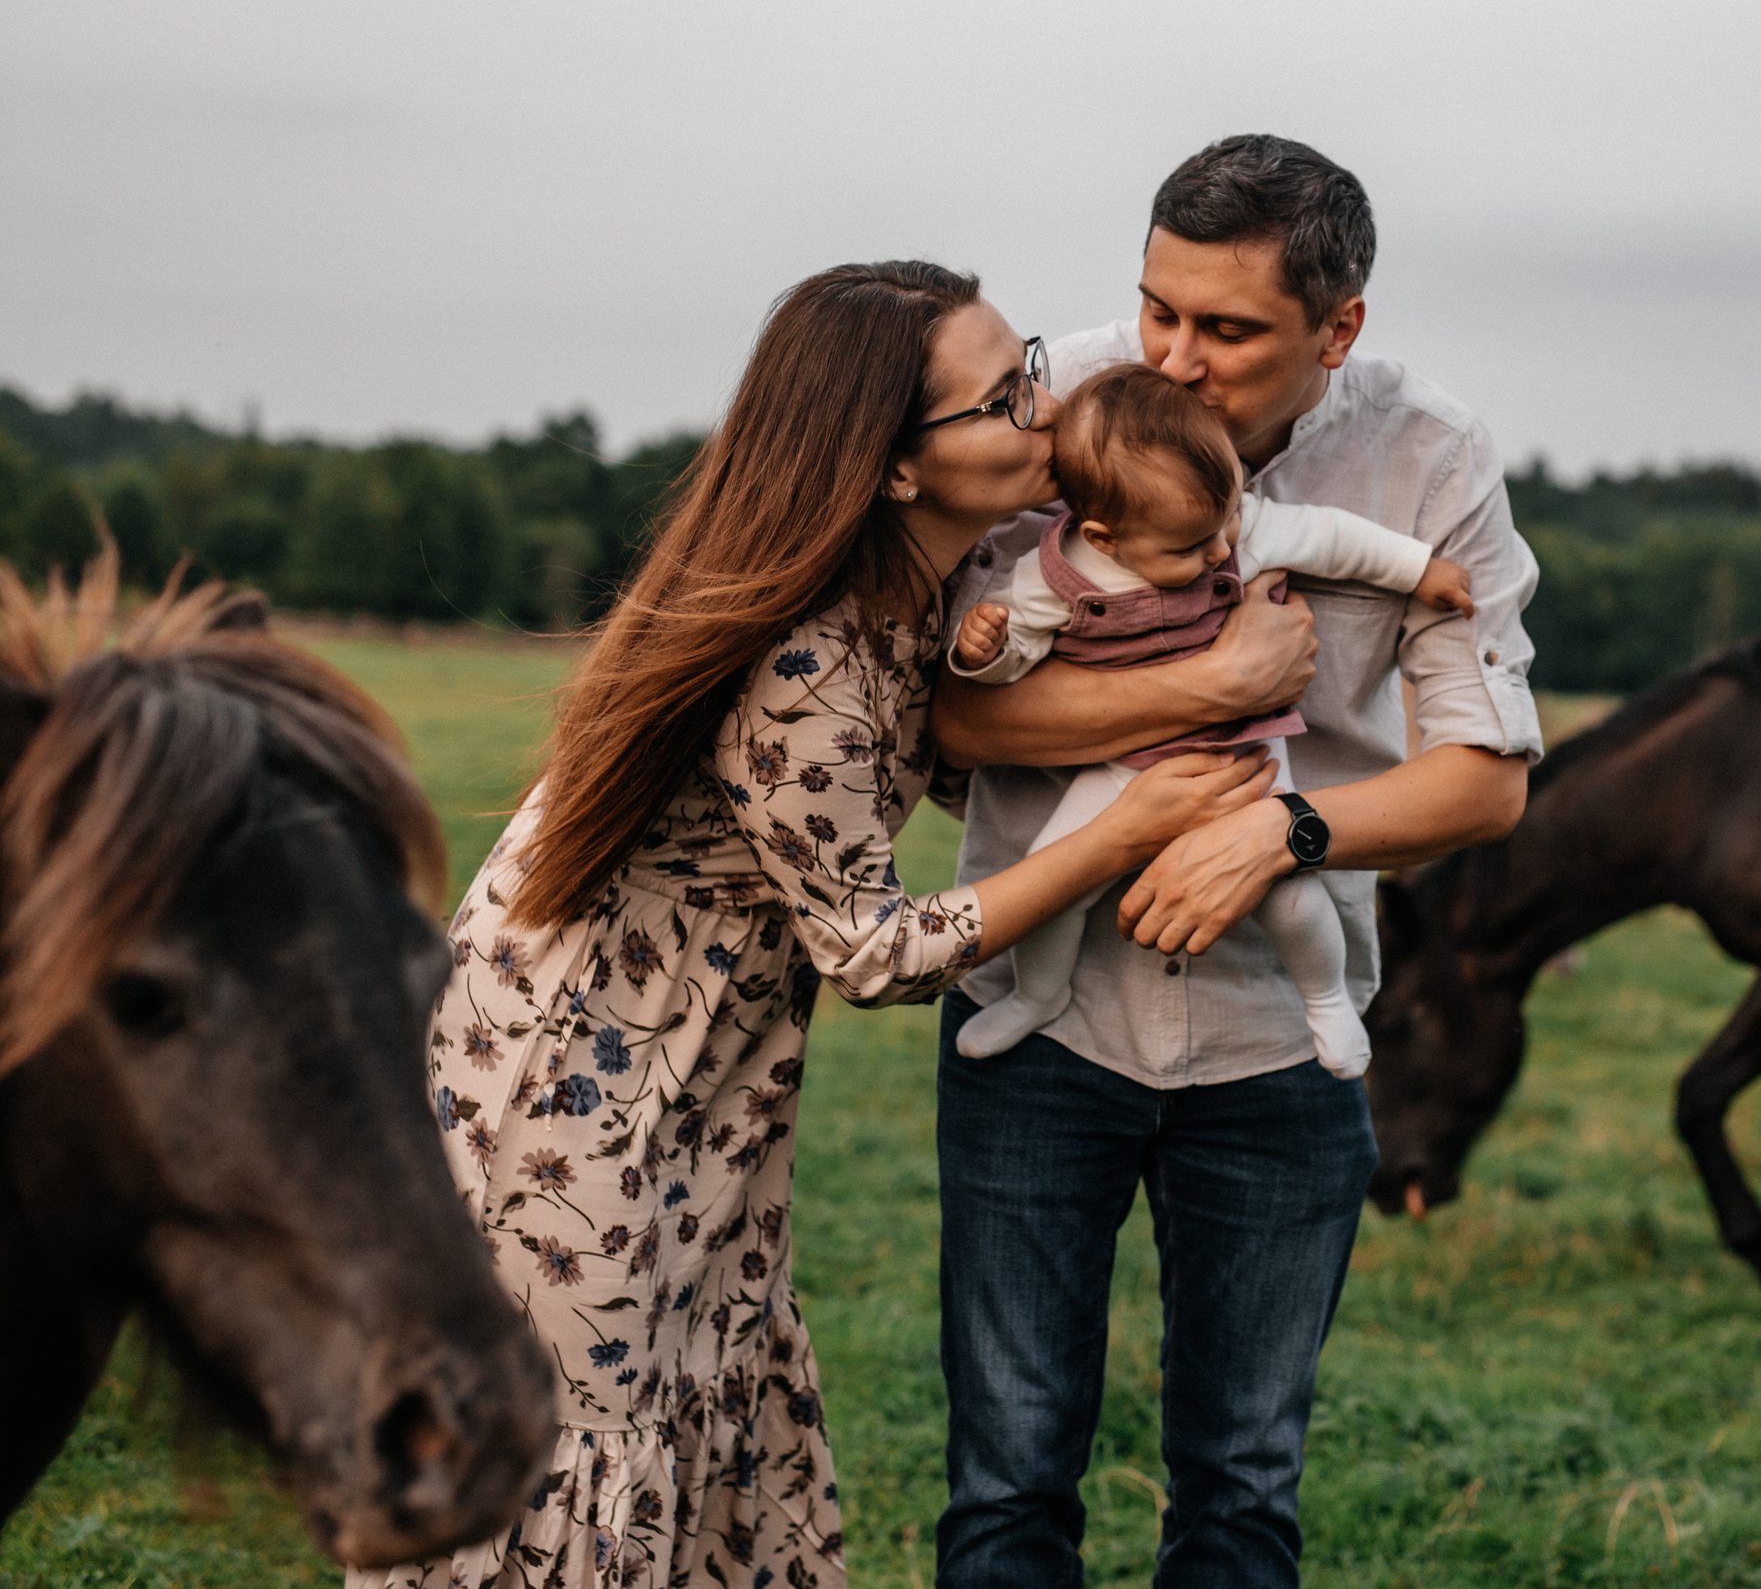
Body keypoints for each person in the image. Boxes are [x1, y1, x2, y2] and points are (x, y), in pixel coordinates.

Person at [354, 262, 1274, 1589]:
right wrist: (1121, 835)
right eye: (1002, 394)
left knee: (709, 1398)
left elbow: (970, 756)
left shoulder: (916, 605)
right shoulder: (808, 654)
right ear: (898, 468)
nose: (1043, 401)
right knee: (591, 1440)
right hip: (574, 1083)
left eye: (1027, 362)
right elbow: (874, 947)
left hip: (706, 1076)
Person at [932, 135, 1544, 1586]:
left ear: (1340, 330)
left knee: (1243, 1492)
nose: (1176, 358)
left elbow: (1486, 777)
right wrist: (1203, 696)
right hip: (1041, 1014)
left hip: (1285, 1044)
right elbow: (952, 711)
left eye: (1228, 328)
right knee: (1007, 1483)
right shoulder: (1054, 411)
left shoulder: (1429, 459)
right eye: (1158, 309)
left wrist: (1288, 826)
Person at [945, 361, 1476, 1078]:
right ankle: (1038, 995)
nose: (1223, 552)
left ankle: (1327, 1003)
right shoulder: (1054, 578)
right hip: (1123, 768)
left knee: (1292, 901)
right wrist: (986, 650)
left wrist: (1419, 570)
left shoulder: (1231, 523)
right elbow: (1009, 663)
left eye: (1226, 522)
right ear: (1103, 536)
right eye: (1191, 548)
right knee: (1053, 882)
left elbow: (1332, 537)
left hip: (1244, 759)